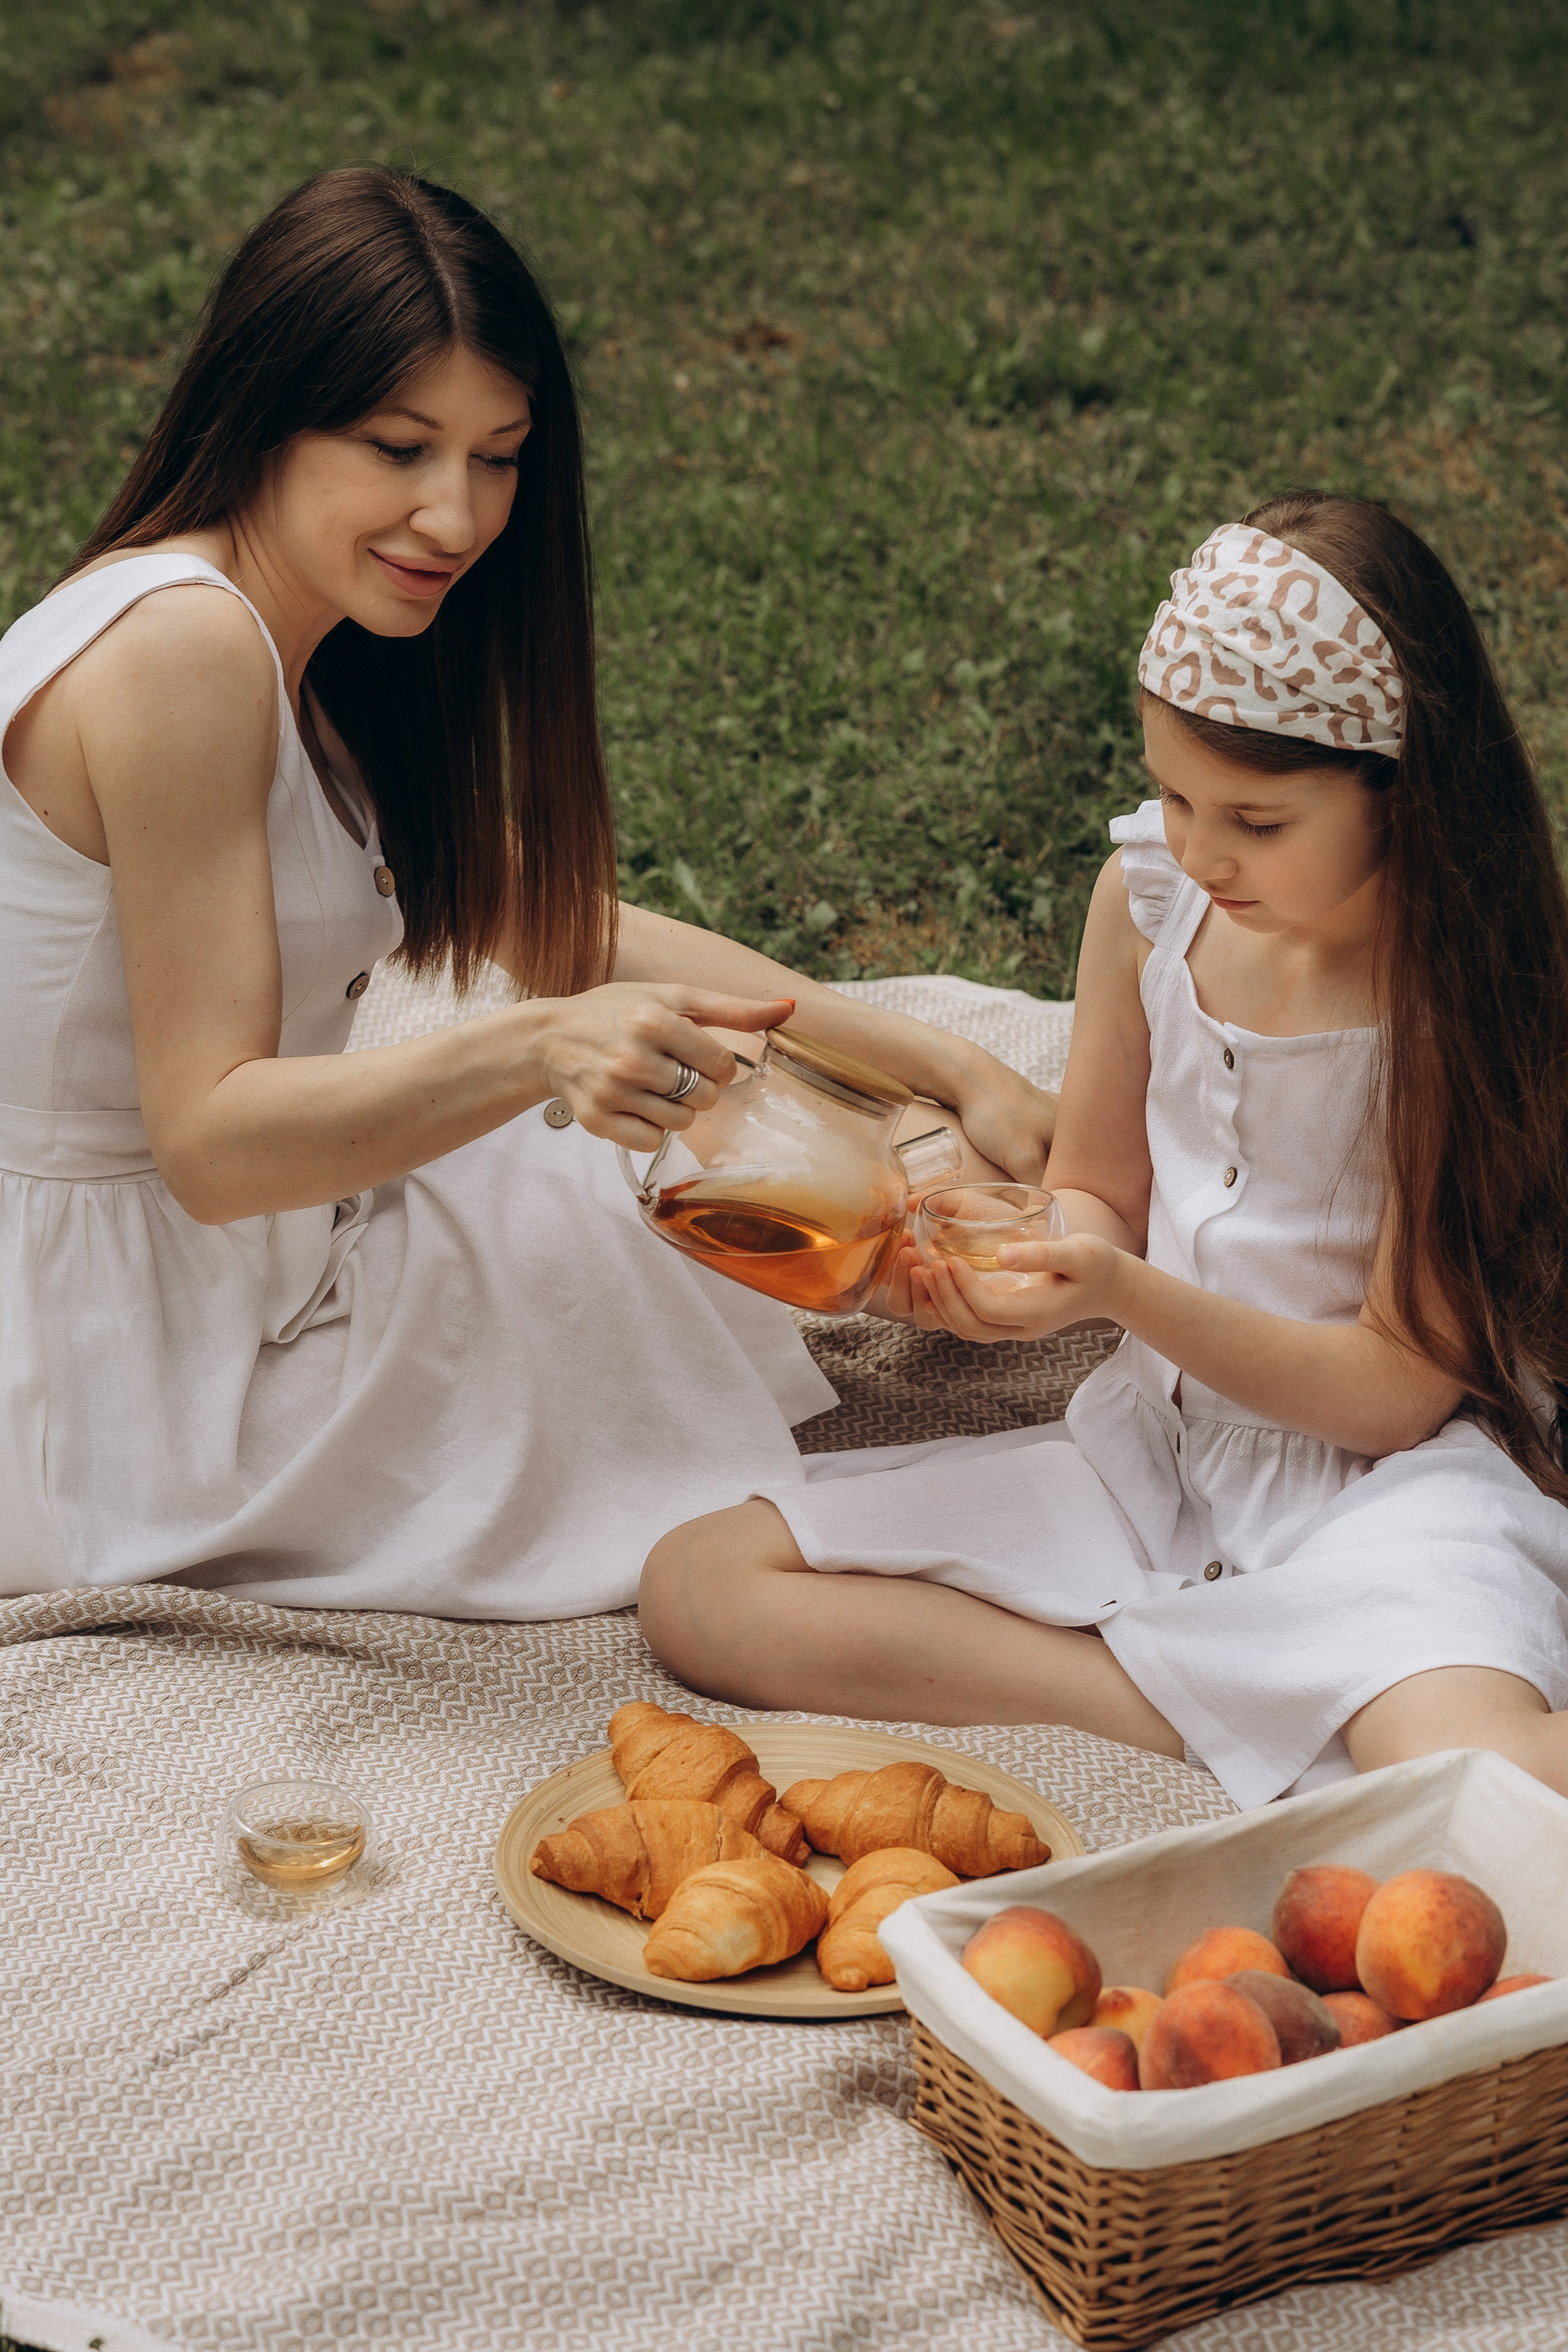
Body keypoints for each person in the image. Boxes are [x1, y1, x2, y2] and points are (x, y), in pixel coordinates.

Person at [0, 165, 1055, 1617]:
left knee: (655, 1175)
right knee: (605, 1250)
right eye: (398, 446)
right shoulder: (178, 653)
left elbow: (555, 922)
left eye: (498, 457)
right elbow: (211, 1143)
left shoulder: (316, 633)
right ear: (261, 415)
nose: (455, 515)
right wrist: (535, 1046)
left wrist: (941, 1065)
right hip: (103, 1360)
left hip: (236, 1249)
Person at [641, 492, 1568, 1807]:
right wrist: (1007, 1266)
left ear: (1398, 792)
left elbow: (1390, 1395)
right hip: (1156, 1458)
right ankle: (1247, 1698)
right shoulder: (1148, 901)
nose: (1199, 849)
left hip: (1390, 1493)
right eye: (1175, 795)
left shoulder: (1448, 996)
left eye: (1256, 822)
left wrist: (1119, 1293)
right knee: (700, 1588)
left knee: (1468, 1770)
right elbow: (1096, 1196)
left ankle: (1281, 1692)